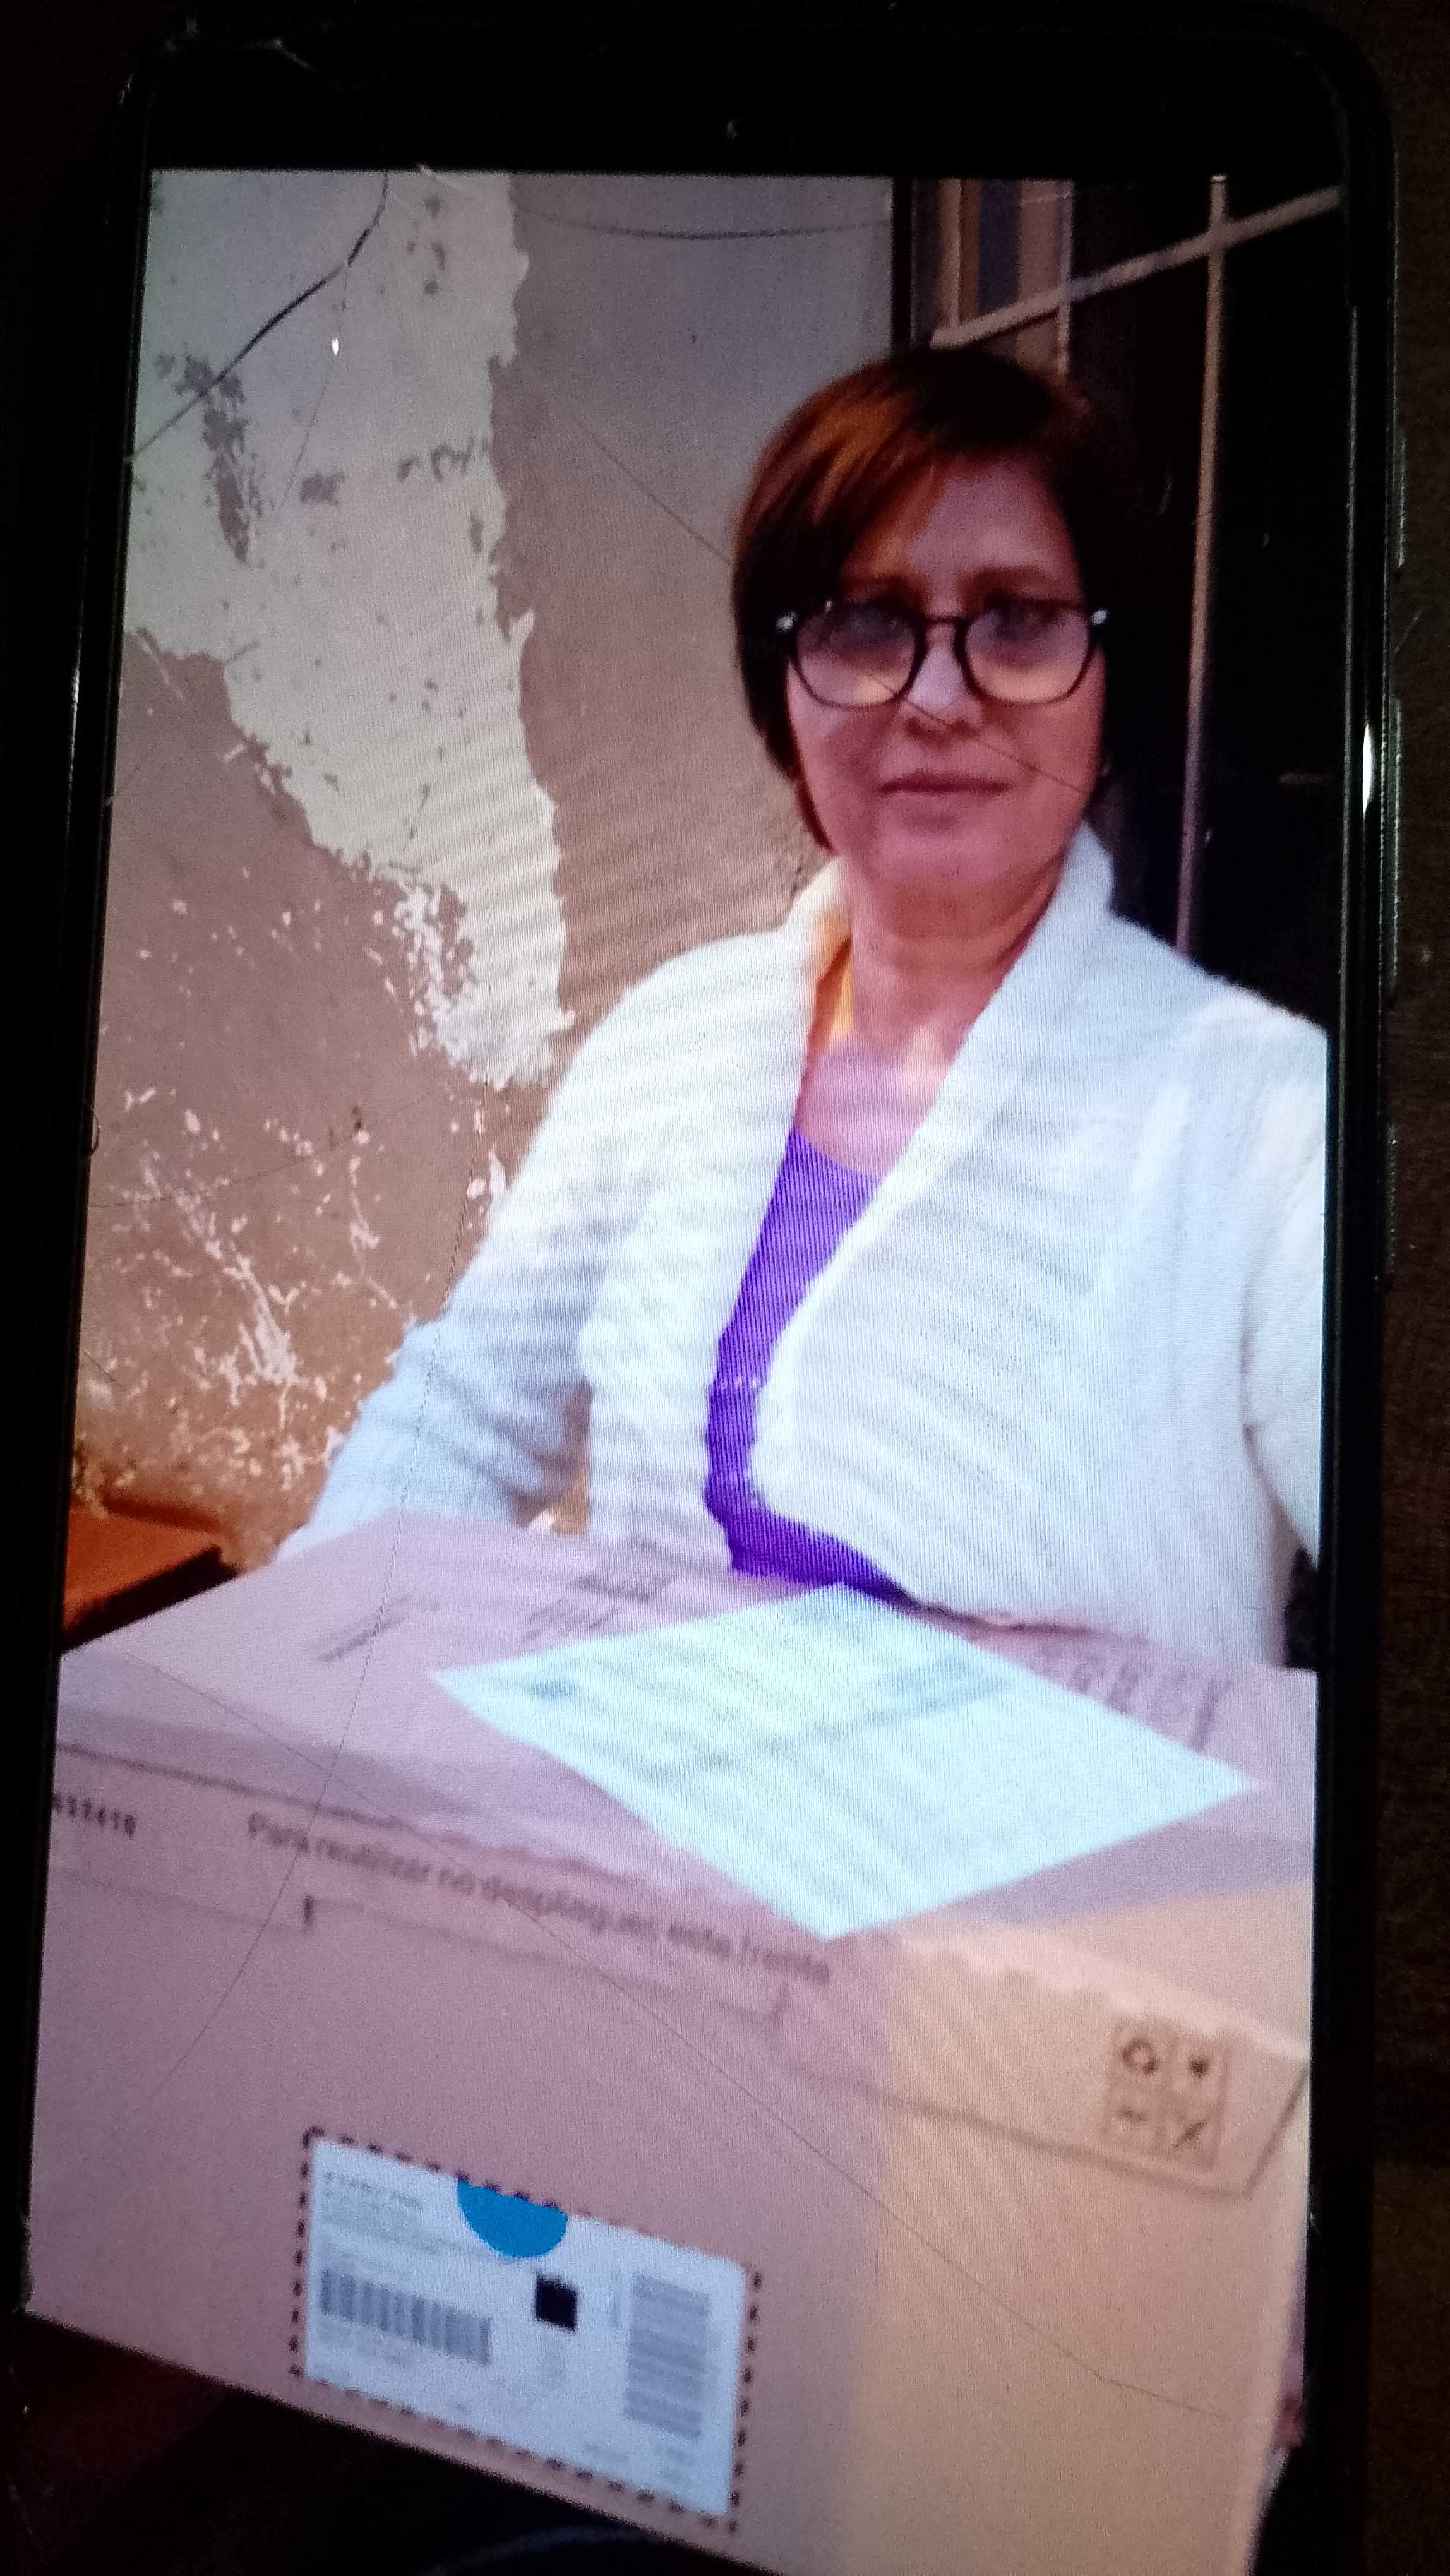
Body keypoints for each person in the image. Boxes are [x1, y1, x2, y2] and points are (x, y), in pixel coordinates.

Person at [284, 347, 1325, 1667]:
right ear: (782, 681)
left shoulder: (1267, 1123)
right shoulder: (672, 1040)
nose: (936, 697)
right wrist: (291, 1689)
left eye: (1016, 619)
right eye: (863, 621)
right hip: (629, 1801)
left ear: (1108, 678)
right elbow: (464, 1415)